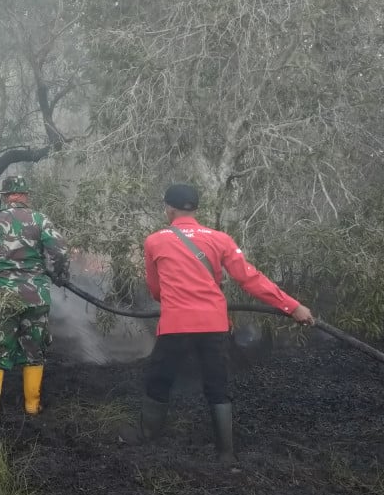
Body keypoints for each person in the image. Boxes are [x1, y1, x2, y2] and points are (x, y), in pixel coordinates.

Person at [121, 183, 315, 463]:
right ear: (196, 209)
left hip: (176, 324)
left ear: (169, 208)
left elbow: (155, 290)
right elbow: (251, 279)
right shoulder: (220, 239)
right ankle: (226, 453)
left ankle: (147, 435)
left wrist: (179, 293)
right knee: (217, 384)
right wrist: (293, 306)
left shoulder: (155, 241)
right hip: (214, 324)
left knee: (159, 379)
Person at [0, 175, 69, 419]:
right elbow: (60, 251)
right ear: (25, 195)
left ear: (5, 196)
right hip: (35, 298)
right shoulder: (40, 220)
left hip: (3, 299)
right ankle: (32, 406)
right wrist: (58, 274)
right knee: (34, 349)